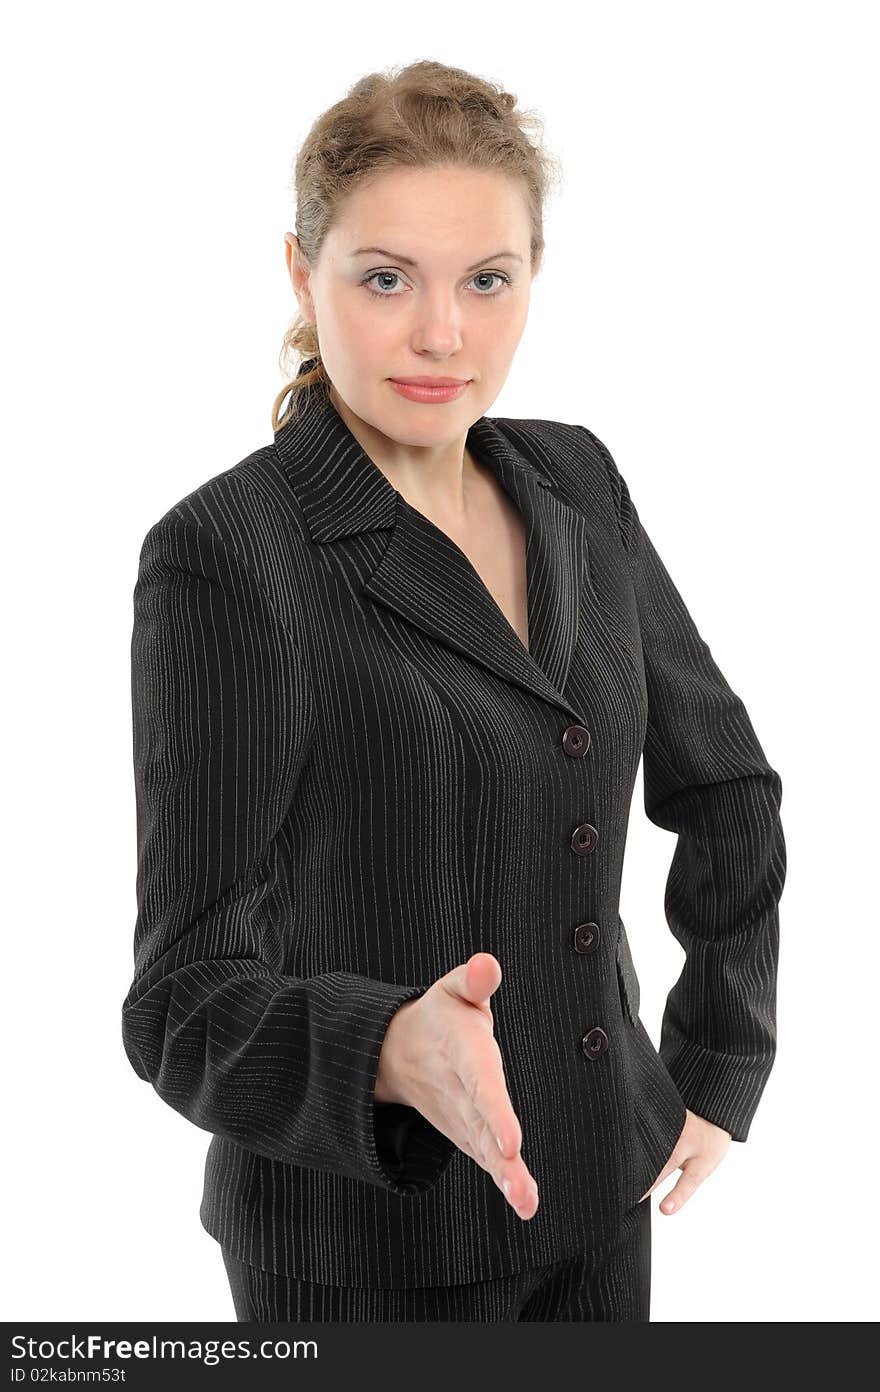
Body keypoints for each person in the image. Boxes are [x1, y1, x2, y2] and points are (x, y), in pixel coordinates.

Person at [122, 59, 787, 1323]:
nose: (443, 335)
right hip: (363, 1246)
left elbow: (728, 785)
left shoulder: (574, 481)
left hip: (600, 1193)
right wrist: (386, 1049)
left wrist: (715, 1060)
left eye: (488, 279)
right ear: (300, 276)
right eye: (386, 279)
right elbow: (179, 1002)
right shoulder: (230, 554)